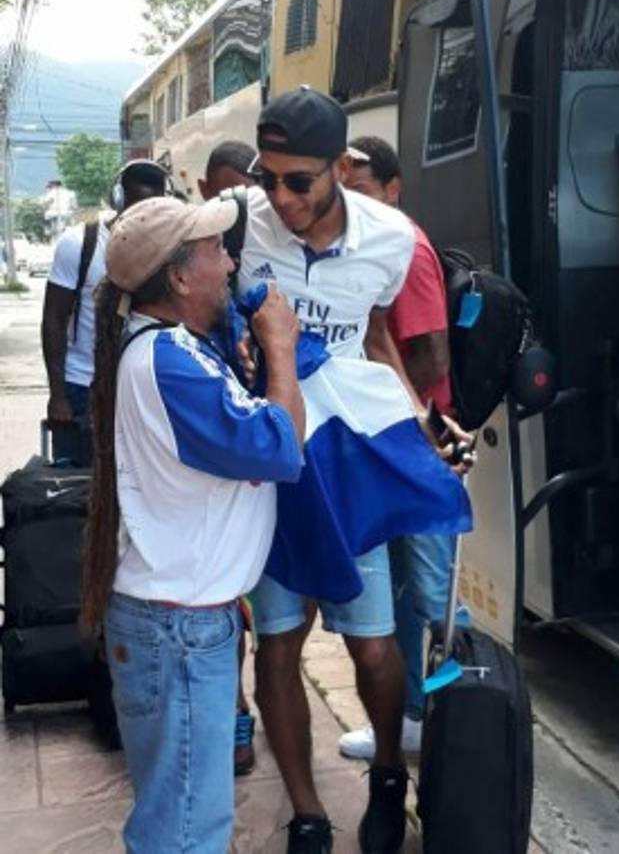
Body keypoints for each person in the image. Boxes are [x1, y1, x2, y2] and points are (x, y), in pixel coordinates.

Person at [80, 194, 305, 854]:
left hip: (174, 621)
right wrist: (281, 350)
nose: (230, 262)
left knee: (179, 815)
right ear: (179, 277)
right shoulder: (171, 362)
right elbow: (281, 448)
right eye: (215, 251)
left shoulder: (173, 349)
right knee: (184, 829)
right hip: (177, 630)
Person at [237, 86, 426, 854]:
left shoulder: (391, 239)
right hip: (271, 460)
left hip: (346, 461)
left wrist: (415, 417)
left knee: (373, 644)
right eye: (267, 178)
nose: (279, 198)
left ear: (342, 169)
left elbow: (375, 333)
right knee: (278, 643)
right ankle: (308, 812)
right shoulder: (238, 224)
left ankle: (387, 775)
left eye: (298, 181)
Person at [339, 135, 455, 759]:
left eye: (360, 189)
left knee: (435, 592)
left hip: (417, 447)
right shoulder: (368, 243)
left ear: (392, 189)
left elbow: (432, 355)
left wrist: (390, 414)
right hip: (392, 445)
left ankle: (464, 715)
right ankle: (414, 714)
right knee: (409, 590)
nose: (349, 201)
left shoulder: (402, 244)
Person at [41, 160, 170, 466]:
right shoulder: (79, 244)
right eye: (134, 207)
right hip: (81, 386)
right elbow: (54, 319)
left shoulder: (167, 249)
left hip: (138, 387)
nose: (140, 218)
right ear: (118, 199)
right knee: (78, 484)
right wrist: (58, 395)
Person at [199, 137, 257, 777]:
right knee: (229, 602)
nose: (236, 201)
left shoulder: (259, 248)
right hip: (224, 449)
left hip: (259, 449)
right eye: (225, 190)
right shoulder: (200, 253)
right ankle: (236, 714)